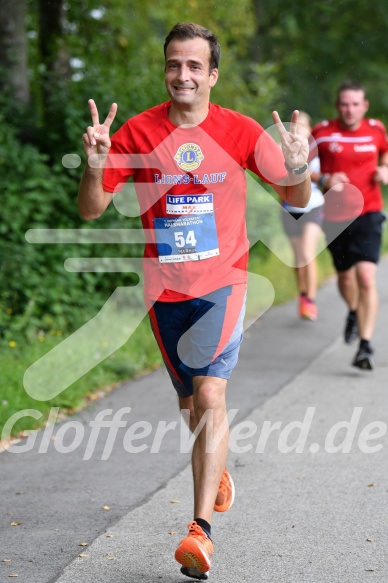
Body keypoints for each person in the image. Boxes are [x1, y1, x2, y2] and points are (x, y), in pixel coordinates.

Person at [78, 22, 310, 580]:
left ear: (213, 74)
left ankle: (199, 532)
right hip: (165, 291)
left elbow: (296, 199)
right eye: (173, 65)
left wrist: (298, 165)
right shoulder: (136, 131)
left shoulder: (239, 130)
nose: (182, 75)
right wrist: (93, 164)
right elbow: (91, 209)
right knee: (191, 407)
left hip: (223, 283)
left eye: (193, 66)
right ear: (166, 71)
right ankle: (217, 467)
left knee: (210, 394)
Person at [312, 80, 388, 370]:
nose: (349, 109)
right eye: (344, 104)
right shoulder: (322, 133)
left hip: (369, 212)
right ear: (337, 106)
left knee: (366, 278)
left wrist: (385, 169)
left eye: (355, 104)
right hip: (335, 217)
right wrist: (323, 179)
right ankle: (354, 311)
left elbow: (385, 152)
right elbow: (298, 169)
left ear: (364, 105)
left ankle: (365, 346)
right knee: (345, 279)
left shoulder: (376, 129)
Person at [281, 112, 325, 320]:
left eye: (303, 126)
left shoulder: (318, 152)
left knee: (308, 254)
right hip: (289, 209)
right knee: (298, 259)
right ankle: (303, 295)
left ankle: (311, 301)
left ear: (310, 129)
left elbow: (324, 178)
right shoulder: (283, 151)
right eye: (294, 127)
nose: (298, 130)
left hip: (313, 207)